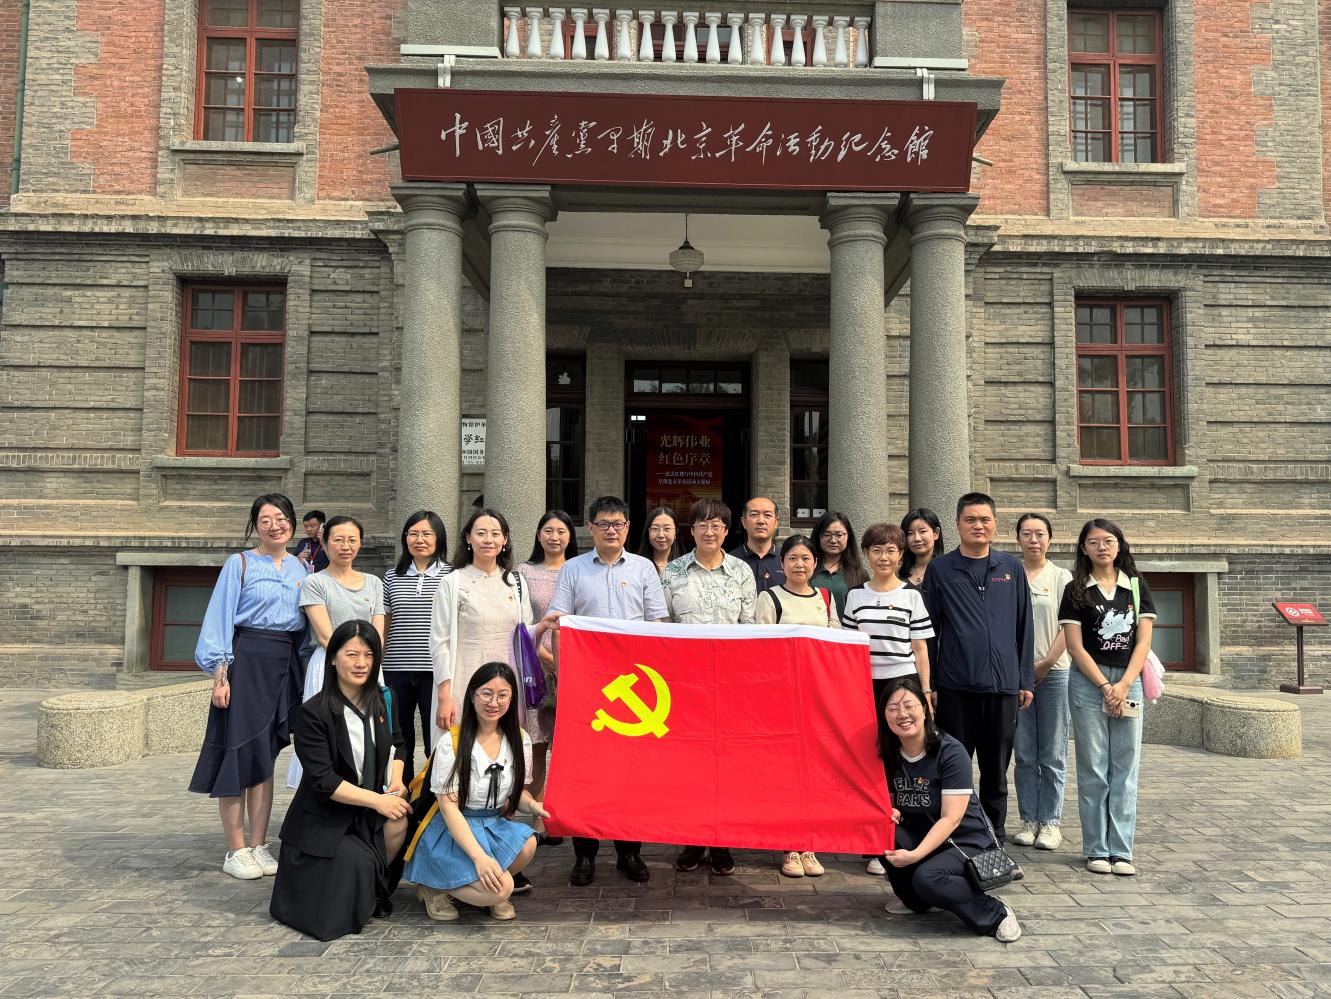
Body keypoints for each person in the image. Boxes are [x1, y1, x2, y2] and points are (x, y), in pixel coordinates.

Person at [549, 495, 668, 886]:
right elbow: (560, 622)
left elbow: (657, 624)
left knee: (630, 773)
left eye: (618, 523)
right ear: (591, 528)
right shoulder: (573, 569)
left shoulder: (644, 568)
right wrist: (563, 671)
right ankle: (584, 855)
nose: (611, 530)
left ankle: (629, 851)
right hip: (588, 686)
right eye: (603, 524)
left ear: (628, 527)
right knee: (586, 771)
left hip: (634, 686)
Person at [190, 493, 309, 880]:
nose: (275, 525)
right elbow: (220, 619)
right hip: (247, 660)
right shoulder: (239, 564)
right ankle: (236, 849)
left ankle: (259, 844)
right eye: (266, 520)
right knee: (237, 752)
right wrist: (220, 676)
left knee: (265, 757)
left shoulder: (302, 568)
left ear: (292, 522)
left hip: (285, 663)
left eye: (281, 518)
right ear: (255, 526)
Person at [269, 621, 411, 940]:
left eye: (369, 655)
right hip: (326, 814)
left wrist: (396, 781)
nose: (361, 663)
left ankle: (374, 890)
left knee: (399, 822)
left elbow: (399, 744)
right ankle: (362, 887)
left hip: (370, 805)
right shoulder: (313, 713)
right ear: (333, 658)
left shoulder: (384, 700)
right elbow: (324, 780)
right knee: (354, 866)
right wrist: (378, 801)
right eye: (352, 654)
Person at [919, 493, 1034, 842]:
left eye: (985, 519)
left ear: (995, 524)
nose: (978, 526)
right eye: (970, 520)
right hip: (956, 688)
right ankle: (955, 833)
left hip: (1003, 688)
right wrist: (931, 684)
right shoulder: (940, 569)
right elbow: (929, 633)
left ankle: (993, 834)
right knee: (953, 766)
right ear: (957, 525)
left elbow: (1024, 627)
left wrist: (1025, 680)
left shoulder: (1011, 568)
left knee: (996, 770)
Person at [879, 676, 1022, 943]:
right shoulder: (889, 752)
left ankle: (994, 913)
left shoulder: (950, 751)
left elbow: (951, 818)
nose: (902, 714)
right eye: (893, 708)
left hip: (965, 840)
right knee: (882, 832)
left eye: (909, 706)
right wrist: (892, 812)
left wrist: (915, 855)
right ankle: (918, 902)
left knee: (928, 878)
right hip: (924, 834)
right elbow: (889, 801)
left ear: (925, 710)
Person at [405, 662, 548, 922]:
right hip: (454, 827)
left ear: (511, 699)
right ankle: (434, 888)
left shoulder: (519, 739)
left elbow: (517, 795)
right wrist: (479, 857)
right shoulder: (452, 742)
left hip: (492, 824)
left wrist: (534, 806)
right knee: (502, 888)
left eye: (502, 695)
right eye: (486, 694)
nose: (494, 702)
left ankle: (479, 887)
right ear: (472, 696)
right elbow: (448, 808)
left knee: (528, 843)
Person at [663, 498, 757, 877]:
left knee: (724, 764)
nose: (709, 531)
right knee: (688, 764)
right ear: (691, 530)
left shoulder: (741, 572)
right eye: (701, 524)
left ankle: (721, 840)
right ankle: (692, 838)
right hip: (684, 686)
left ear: (727, 530)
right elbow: (662, 627)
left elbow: (749, 628)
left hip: (728, 685)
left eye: (716, 524)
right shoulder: (672, 572)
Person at [1059, 518, 1155, 877]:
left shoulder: (1136, 586)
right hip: (1089, 681)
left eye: (1109, 540)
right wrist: (1104, 686)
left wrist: (1124, 685)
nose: (1102, 547)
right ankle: (1096, 849)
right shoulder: (1075, 589)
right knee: (1094, 767)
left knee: (1126, 768)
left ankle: (1122, 850)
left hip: (1128, 679)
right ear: (1084, 548)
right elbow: (1074, 646)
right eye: (1094, 542)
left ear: (1119, 545)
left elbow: (1143, 642)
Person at [754, 533, 838, 879]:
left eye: (805, 558)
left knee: (812, 774)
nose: (799, 564)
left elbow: (836, 644)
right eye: (792, 558)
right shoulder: (770, 597)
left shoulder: (825, 598)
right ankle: (788, 845)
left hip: (816, 698)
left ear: (815, 563)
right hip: (781, 699)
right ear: (782, 563)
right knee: (786, 773)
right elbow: (759, 649)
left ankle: (809, 843)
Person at [288, 515, 386, 790]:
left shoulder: (374, 583)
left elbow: (378, 634)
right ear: (325, 542)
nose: (346, 546)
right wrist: (350, 660)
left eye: (352, 540)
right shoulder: (315, 582)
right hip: (330, 664)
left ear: (360, 543)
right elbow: (324, 635)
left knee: (369, 731)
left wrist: (365, 660)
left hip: (368, 665)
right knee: (329, 732)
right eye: (339, 539)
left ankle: (368, 792)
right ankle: (325, 793)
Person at [1012, 513, 1074, 852]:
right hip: (1017, 675)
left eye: (1039, 534)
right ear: (1017, 539)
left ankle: (1051, 822)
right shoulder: (1009, 574)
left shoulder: (1062, 577)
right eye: (1027, 534)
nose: (1033, 540)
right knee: (1024, 752)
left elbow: (1069, 626)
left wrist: (1047, 663)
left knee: (1052, 752)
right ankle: (1029, 819)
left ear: (1050, 539)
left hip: (1055, 673)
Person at [519, 509, 579, 841]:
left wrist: (568, 661)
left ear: (571, 536)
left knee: (570, 747)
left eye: (561, 531)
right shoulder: (522, 573)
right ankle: (539, 819)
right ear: (538, 535)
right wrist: (545, 657)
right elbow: (519, 621)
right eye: (548, 531)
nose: (554, 537)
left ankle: (565, 815)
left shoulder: (580, 570)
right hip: (535, 668)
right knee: (538, 744)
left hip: (575, 669)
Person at [382, 511, 450, 780]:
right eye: (413, 534)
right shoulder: (391, 577)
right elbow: (385, 623)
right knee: (400, 739)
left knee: (437, 739)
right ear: (405, 538)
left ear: (439, 538)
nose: (419, 539)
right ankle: (402, 792)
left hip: (436, 671)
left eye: (427, 534)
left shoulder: (452, 575)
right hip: (396, 668)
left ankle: (434, 796)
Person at [810, 511, 868, 618]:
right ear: (818, 536)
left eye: (839, 535)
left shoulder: (859, 574)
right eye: (827, 534)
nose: (833, 540)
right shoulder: (807, 570)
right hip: (812, 628)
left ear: (848, 536)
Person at [731, 496, 785, 595]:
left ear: (776, 522)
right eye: (754, 515)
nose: (761, 521)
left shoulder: (787, 560)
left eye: (767, 515)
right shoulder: (730, 562)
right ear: (744, 522)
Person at [900, 508, 945, 588]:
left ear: (936, 533)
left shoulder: (947, 570)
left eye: (922, 531)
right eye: (910, 533)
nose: (917, 538)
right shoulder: (897, 572)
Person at [638, 506, 682, 579]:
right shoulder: (636, 566)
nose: (661, 535)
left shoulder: (686, 566)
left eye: (667, 528)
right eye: (655, 528)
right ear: (648, 532)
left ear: (675, 532)